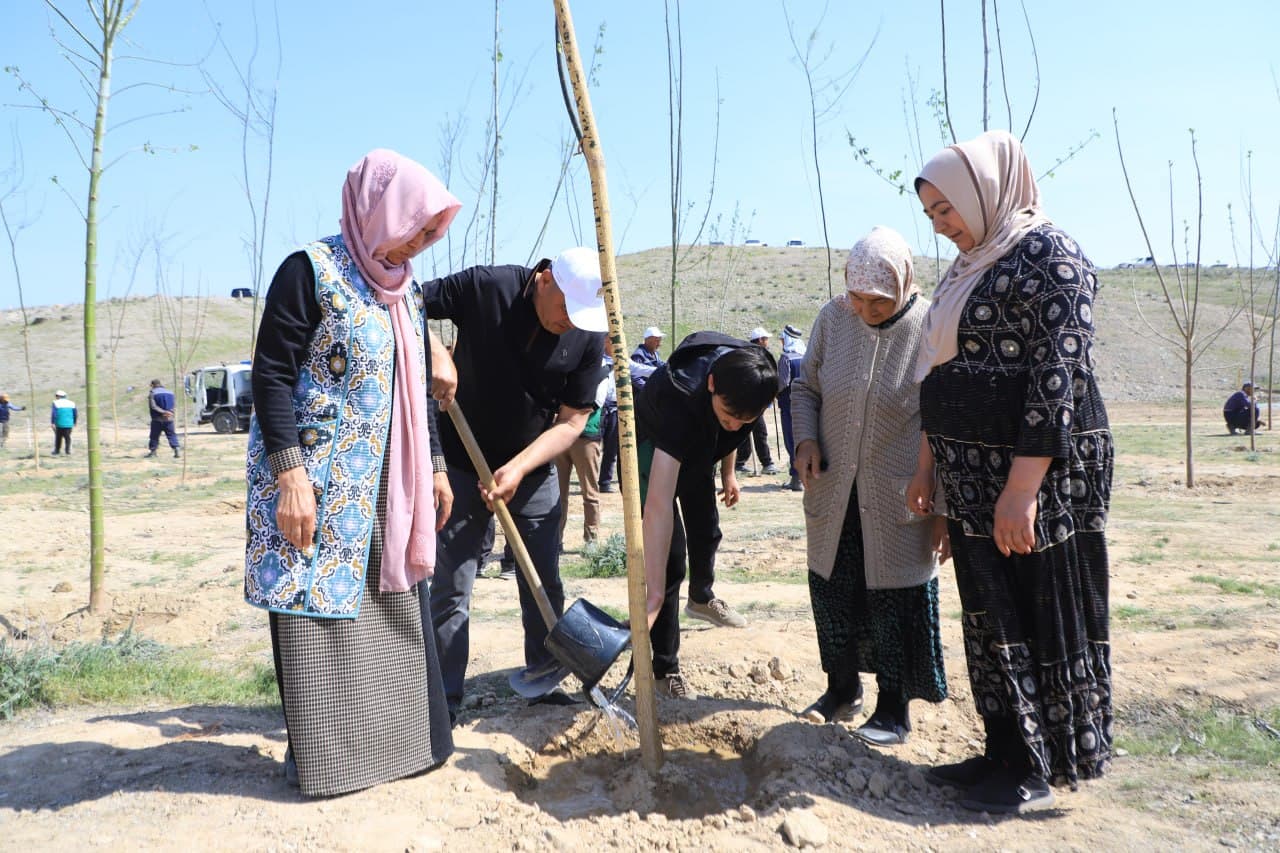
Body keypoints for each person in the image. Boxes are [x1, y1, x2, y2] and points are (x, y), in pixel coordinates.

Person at [907, 130, 1113, 814]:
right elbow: (941, 373)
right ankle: (1002, 749)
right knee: (987, 614)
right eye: (933, 215)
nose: (943, 225)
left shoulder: (1053, 257)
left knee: (1033, 610)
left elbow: (1056, 380)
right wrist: (930, 465)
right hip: (969, 479)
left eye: (948, 209)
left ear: (984, 190)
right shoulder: (968, 266)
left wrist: (1021, 489)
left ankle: (1038, 765)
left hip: (1037, 482)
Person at [244, 149, 461, 797]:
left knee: (391, 618)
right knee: (321, 621)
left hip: (387, 490)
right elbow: (271, 375)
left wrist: (440, 467)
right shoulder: (309, 270)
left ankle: (395, 750)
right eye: (413, 227)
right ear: (376, 210)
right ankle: (332, 761)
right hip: (315, 486)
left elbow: (414, 385)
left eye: (430, 233)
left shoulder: (405, 289)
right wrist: (290, 475)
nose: (419, 243)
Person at [422, 246, 608, 719]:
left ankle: (546, 682)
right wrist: (435, 351)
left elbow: (571, 421)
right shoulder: (488, 286)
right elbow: (404, 301)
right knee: (452, 584)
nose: (569, 321)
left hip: (533, 466)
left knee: (543, 578)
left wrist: (520, 467)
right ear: (545, 279)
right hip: (460, 464)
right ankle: (440, 702)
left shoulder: (586, 334)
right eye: (565, 307)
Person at [790, 227, 949, 748]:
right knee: (834, 591)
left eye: (876, 301)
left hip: (899, 495)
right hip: (834, 491)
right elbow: (805, 387)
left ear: (903, 285)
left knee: (892, 600)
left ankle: (893, 708)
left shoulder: (930, 327)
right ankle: (841, 691)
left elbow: (944, 417)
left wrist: (942, 501)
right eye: (855, 296)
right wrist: (806, 440)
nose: (863, 309)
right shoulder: (833, 319)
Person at [636, 332, 777, 698]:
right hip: (654, 447)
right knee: (670, 561)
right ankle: (665, 669)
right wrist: (651, 594)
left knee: (707, 530)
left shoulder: (752, 378)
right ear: (711, 385)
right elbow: (657, 508)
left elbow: (729, 429)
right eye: (730, 416)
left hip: (699, 447)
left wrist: (728, 473)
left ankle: (701, 597)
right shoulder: (678, 400)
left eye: (746, 420)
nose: (736, 425)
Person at [554, 362, 610, 545]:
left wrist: (565, 414)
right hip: (560, 437)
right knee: (557, 494)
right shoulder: (568, 363)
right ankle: (556, 539)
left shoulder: (602, 372)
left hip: (586, 437)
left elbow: (595, 403)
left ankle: (591, 539)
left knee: (590, 492)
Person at [735, 327, 779, 476]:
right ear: (760, 340)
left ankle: (743, 462)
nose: (767, 341)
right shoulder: (750, 354)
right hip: (749, 399)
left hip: (756, 399)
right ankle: (764, 463)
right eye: (766, 339)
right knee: (756, 432)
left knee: (754, 431)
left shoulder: (760, 354)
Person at [776, 323, 807, 491]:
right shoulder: (806, 356)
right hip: (806, 405)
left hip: (789, 405)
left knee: (791, 440)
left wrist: (773, 391)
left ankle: (796, 479)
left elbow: (782, 382)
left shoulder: (786, 358)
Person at [597, 338, 621, 493]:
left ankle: (605, 482)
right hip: (598, 408)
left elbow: (638, 369)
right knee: (592, 446)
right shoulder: (597, 359)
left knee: (611, 448)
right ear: (605, 342)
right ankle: (590, 481)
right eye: (612, 341)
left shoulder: (622, 360)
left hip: (614, 408)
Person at [145, 378, 181, 458]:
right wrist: (170, 412)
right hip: (169, 419)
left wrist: (163, 412)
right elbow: (174, 405)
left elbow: (153, 406)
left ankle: (153, 452)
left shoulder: (152, 393)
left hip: (157, 419)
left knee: (154, 436)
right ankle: (176, 449)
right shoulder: (170, 392)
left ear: (152, 385)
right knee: (171, 434)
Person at [50, 390, 76, 455]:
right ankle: (68, 451)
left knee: (58, 437)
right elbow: (75, 413)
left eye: (56, 396)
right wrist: (74, 422)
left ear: (58, 396)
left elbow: (54, 413)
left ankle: (57, 450)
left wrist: (52, 422)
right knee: (67, 437)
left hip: (59, 423)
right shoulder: (72, 403)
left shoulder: (55, 403)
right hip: (69, 423)